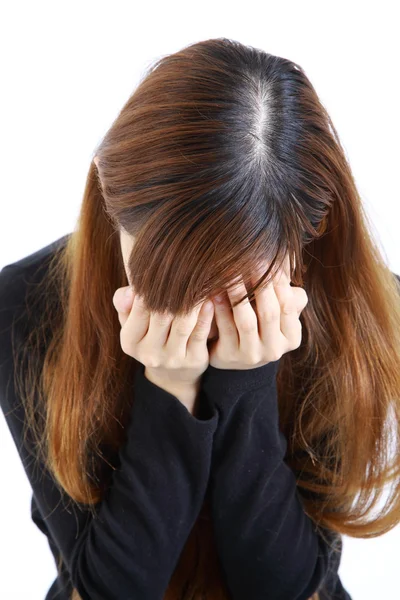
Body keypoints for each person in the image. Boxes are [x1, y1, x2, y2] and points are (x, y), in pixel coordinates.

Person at [1, 37, 400, 600]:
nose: (197, 309)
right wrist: (167, 390)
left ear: (308, 237)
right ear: (109, 198)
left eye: (237, 279)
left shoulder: (354, 309)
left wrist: (248, 385)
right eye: (166, 274)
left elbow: (290, 588)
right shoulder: (25, 306)